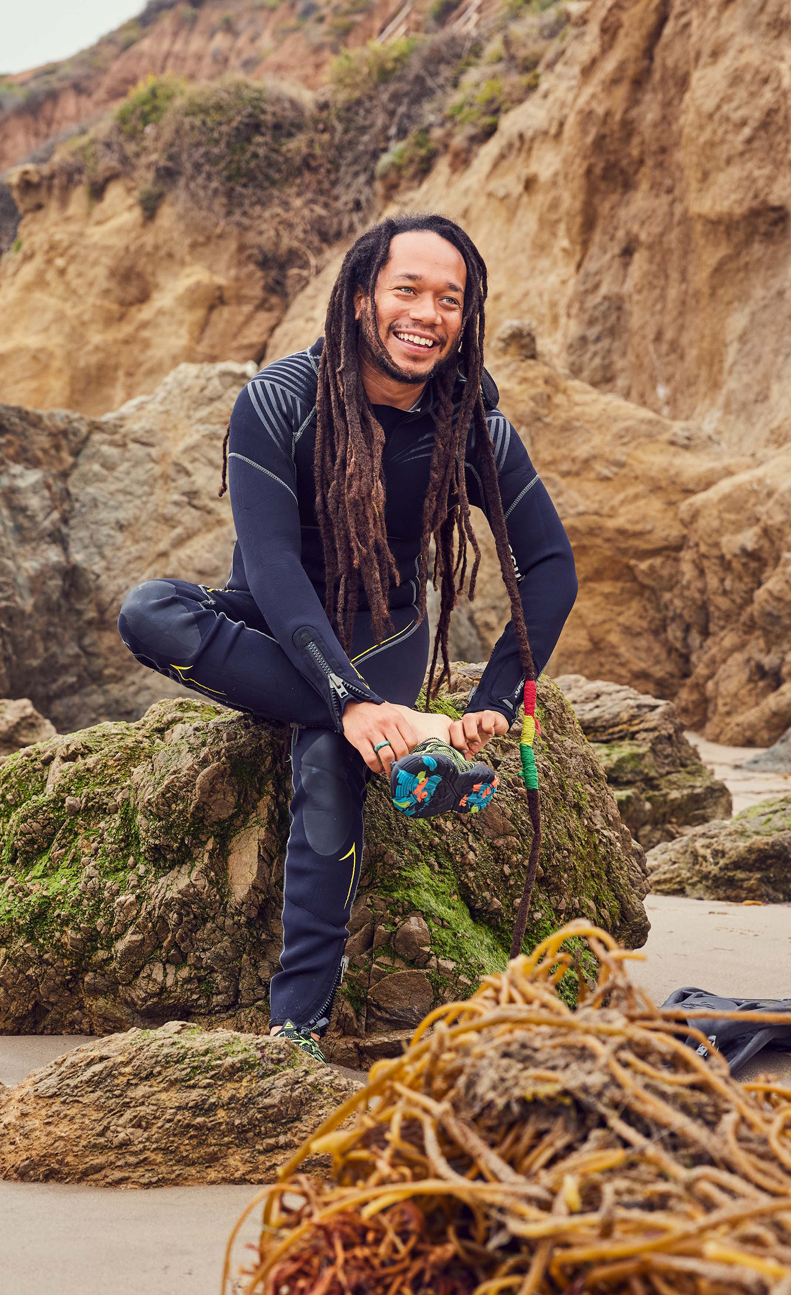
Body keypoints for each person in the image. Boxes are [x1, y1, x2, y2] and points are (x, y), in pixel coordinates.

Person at [117, 214, 576, 1061]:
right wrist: (353, 702)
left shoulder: (469, 423)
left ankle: (296, 1029)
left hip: (382, 628)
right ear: (363, 297)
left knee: (331, 759)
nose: (427, 313)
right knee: (149, 610)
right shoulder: (280, 401)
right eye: (408, 290)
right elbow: (273, 566)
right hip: (273, 610)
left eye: (450, 299)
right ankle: (410, 731)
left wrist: (494, 700)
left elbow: (550, 566)